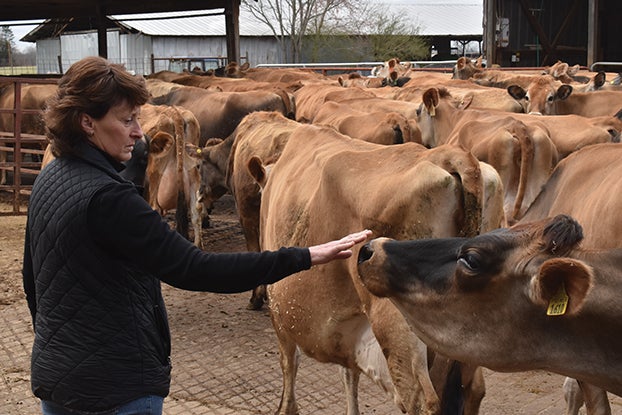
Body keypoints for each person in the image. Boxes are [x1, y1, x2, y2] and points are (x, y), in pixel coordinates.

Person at [21, 56, 372, 415]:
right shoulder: (111, 199)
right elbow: (197, 268)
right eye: (126, 120)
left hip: (56, 381)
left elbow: (31, 280)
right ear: (87, 123)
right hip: (118, 388)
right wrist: (304, 256)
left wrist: (58, 348)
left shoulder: (49, 179)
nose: (139, 132)